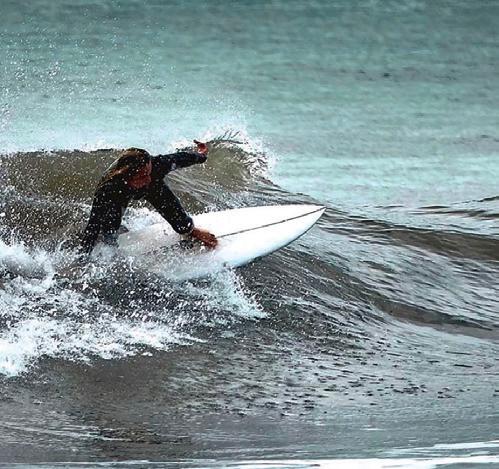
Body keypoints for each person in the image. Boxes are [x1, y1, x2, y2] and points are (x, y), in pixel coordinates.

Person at [80, 141, 217, 254]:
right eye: (142, 176)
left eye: (148, 173)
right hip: (121, 193)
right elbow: (93, 224)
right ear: (127, 176)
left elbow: (181, 158)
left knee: (183, 225)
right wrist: (83, 257)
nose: (148, 179)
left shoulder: (155, 168)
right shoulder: (109, 189)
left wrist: (201, 155)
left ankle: (192, 231)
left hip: (153, 189)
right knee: (108, 232)